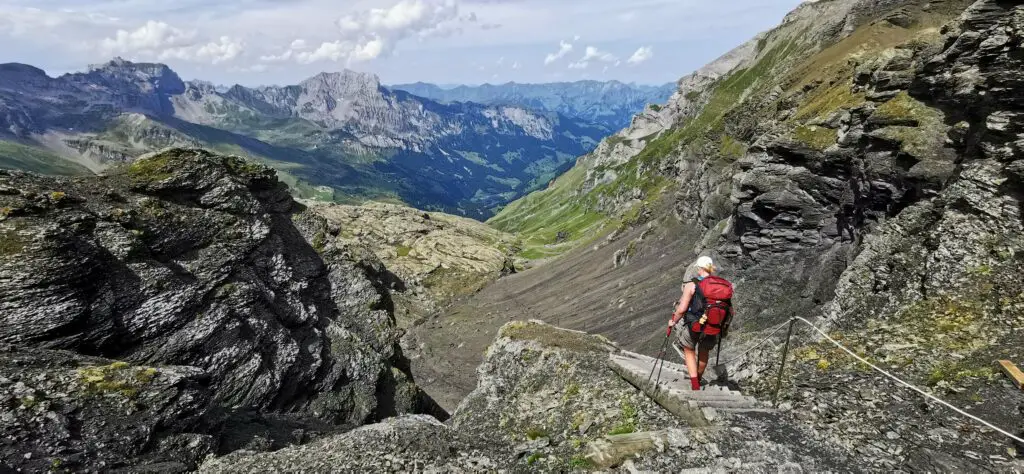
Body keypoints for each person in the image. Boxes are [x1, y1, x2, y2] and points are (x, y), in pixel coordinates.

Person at [668, 256, 731, 390]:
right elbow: (729, 309)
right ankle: (700, 377)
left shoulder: (692, 285)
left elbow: (682, 309)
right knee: (704, 352)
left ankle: (695, 383)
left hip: (695, 325)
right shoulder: (723, 285)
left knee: (689, 350)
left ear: (699, 268)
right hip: (713, 326)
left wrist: (673, 322)